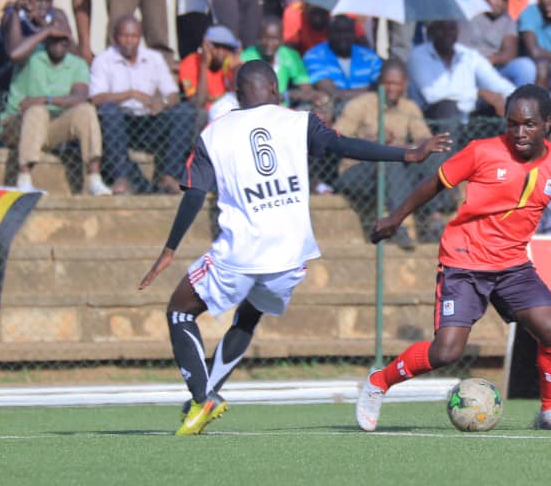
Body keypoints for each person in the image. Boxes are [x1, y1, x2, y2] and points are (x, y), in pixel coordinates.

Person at [137, 59, 449, 436]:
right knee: (248, 318)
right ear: (274, 89)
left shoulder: (213, 134)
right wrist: (408, 153)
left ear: (238, 94)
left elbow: (194, 195)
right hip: (291, 257)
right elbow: (343, 145)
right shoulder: (300, 122)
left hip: (240, 253)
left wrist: (170, 249)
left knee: (180, 312)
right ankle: (207, 396)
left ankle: (201, 395)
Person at [362, 84, 551, 433]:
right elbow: (435, 183)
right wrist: (396, 218)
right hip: (463, 261)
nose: (519, 132)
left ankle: (549, 410)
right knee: (446, 353)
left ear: (547, 124)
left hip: (512, 266)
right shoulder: (482, 152)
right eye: (512, 124)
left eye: (529, 124)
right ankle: (379, 382)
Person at [334, 59, 455, 247]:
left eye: (396, 84)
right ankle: (398, 226)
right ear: (379, 83)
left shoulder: (409, 107)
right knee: (390, 160)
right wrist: (373, 143)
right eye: (387, 83)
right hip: (357, 169)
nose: (391, 88)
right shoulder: (361, 105)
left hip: (396, 166)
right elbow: (338, 135)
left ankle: (434, 218)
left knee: (433, 154)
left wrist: (406, 146)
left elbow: (424, 137)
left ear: (404, 84)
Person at [89, 15, 196, 195]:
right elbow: (96, 98)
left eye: (135, 36)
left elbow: (173, 94)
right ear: (115, 38)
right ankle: (121, 177)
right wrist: (131, 94)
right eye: (125, 36)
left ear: (141, 37)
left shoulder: (154, 58)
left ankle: (169, 176)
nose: (130, 41)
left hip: (148, 121)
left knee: (185, 111)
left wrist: (162, 103)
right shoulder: (103, 60)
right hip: (119, 124)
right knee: (109, 111)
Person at [0, 24, 110, 195]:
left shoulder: (77, 64)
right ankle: (24, 179)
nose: (59, 43)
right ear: (46, 40)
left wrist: (47, 99)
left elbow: (80, 96)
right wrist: (46, 31)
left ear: (69, 42)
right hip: (17, 125)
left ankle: (94, 178)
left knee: (86, 110)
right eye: (53, 38)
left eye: (63, 39)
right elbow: (14, 53)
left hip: (50, 127)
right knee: (37, 111)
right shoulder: (31, 56)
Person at [407, 19, 516, 131]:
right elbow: (433, 95)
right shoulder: (418, 56)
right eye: (442, 29)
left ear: (458, 31)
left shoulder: (468, 54)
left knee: (504, 102)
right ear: (432, 31)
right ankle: (450, 149)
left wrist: (518, 97)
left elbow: (496, 83)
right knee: (447, 107)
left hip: (468, 116)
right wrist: (479, 93)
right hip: (432, 118)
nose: (447, 33)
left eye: (452, 28)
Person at [0, 0, 70, 90]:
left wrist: (44, 25)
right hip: (11, 77)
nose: (43, 6)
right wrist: (46, 31)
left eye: (48, 1)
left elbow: (71, 50)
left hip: (45, 79)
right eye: (39, 1)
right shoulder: (13, 15)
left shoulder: (57, 15)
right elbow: (14, 54)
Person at [461, 0, 536, 87]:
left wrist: (488, 61)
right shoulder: (470, 12)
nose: (499, 3)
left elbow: (509, 53)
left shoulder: (507, 20)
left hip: (491, 69)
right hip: (464, 67)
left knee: (526, 66)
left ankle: (520, 101)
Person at [303, 14, 382, 108]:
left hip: (368, 109)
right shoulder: (314, 55)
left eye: (347, 32)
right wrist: (368, 92)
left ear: (354, 33)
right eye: (337, 32)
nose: (342, 36)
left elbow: (380, 90)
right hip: (333, 110)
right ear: (328, 34)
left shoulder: (370, 57)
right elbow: (331, 92)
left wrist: (343, 94)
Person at [240, 16, 316, 106]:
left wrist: (286, 96)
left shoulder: (290, 56)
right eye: (265, 38)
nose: (269, 44)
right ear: (258, 38)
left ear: (282, 40)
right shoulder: (245, 58)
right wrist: (290, 95)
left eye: (274, 39)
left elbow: (307, 90)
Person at [178, 24, 239, 113]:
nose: (221, 52)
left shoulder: (231, 65)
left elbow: (238, 100)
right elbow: (198, 103)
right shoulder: (190, 63)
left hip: (227, 115)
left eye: (227, 48)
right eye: (216, 46)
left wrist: (236, 69)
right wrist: (204, 65)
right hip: (202, 118)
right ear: (205, 46)